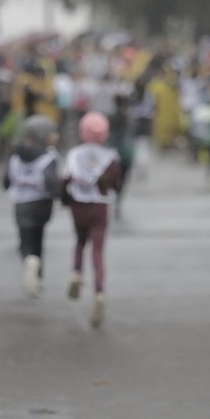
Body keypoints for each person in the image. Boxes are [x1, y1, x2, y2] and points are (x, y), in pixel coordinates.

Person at [61, 110, 122, 329]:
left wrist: (64, 200)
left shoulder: (74, 154)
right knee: (98, 252)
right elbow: (116, 184)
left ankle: (76, 273)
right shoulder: (109, 158)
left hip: (78, 206)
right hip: (100, 207)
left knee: (79, 242)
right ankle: (99, 293)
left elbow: (65, 180)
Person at [2, 114, 60, 298]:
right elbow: (51, 182)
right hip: (42, 204)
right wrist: (59, 193)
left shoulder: (16, 155)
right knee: (39, 239)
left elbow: (6, 181)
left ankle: (29, 259)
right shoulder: (49, 157)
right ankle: (39, 277)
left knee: (25, 240)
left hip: (20, 204)